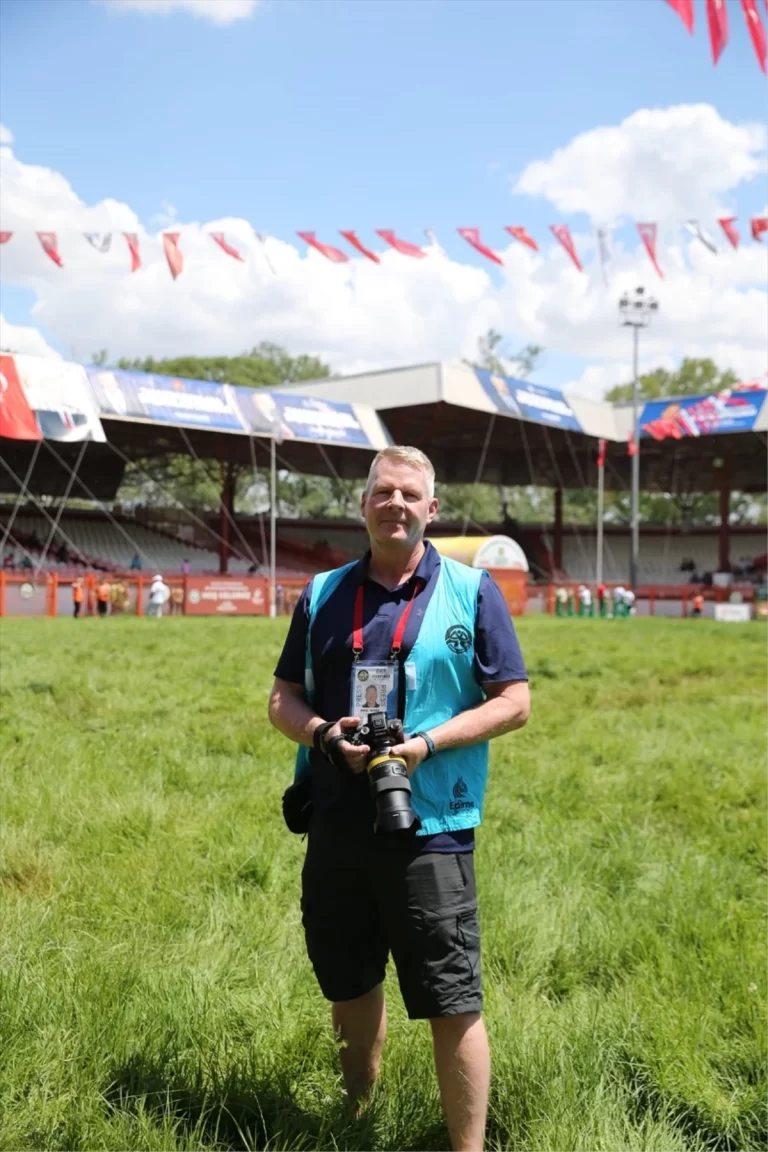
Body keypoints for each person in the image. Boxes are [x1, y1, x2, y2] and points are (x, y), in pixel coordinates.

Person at [268, 445, 530, 1152]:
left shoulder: (473, 591)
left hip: (432, 824)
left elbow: (515, 702)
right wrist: (324, 735)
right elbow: (282, 697)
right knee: (349, 984)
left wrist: (426, 744)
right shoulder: (322, 593)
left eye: (410, 494)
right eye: (383, 492)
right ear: (363, 505)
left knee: (452, 998)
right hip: (337, 819)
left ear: (432, 509)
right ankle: (355, 1123)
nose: (396, 504)